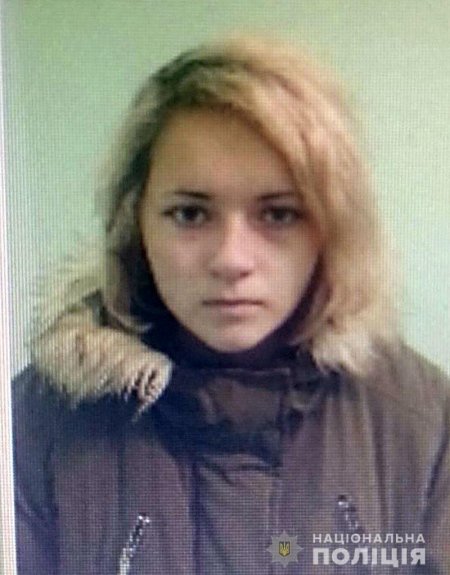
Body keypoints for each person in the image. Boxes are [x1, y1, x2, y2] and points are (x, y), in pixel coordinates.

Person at [12, 35, 450, 575]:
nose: (231, 260)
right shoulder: (33, 425)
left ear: (332, 227)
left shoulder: (423, 422)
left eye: (279, 214)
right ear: (134, 222)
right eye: (190, 214)